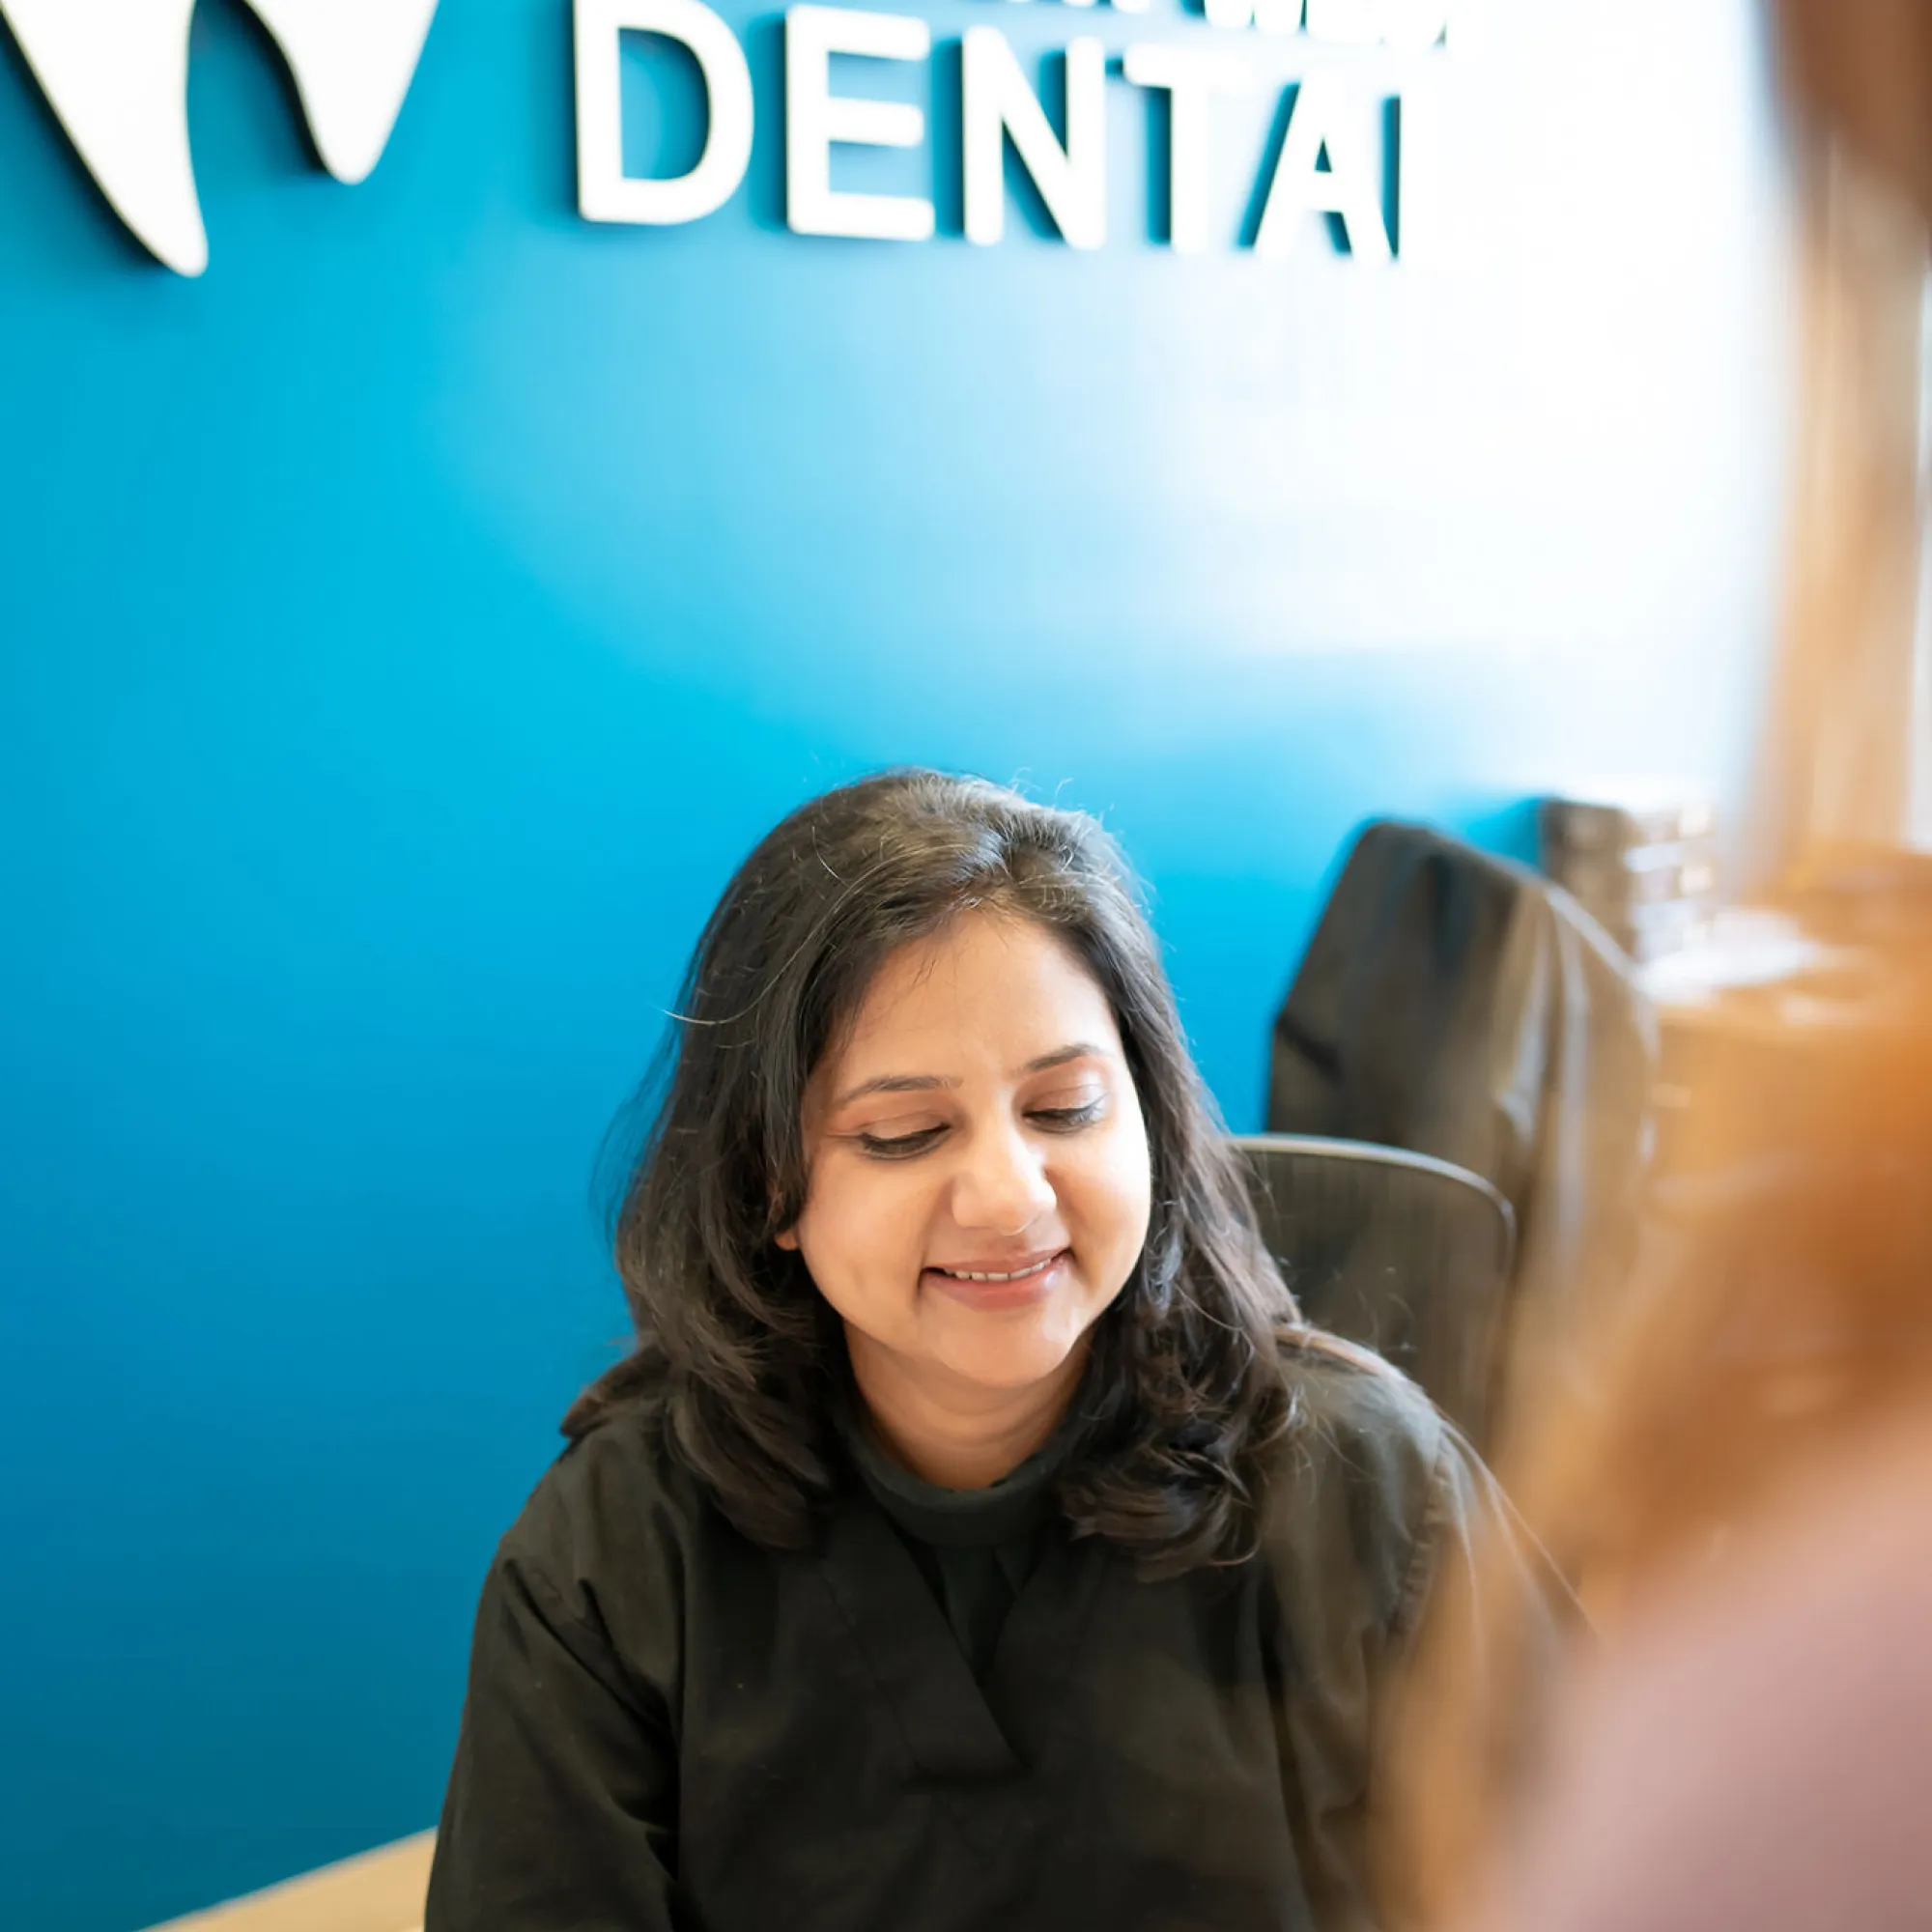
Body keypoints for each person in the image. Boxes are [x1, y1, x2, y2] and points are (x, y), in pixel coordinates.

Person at [426, 769, 1568, 1932]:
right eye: (904, 1132)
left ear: (1150, 1120)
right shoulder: (615, 1556)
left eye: (1064, 1107)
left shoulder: (1371, 1487)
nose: (1007, 1197)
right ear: (769, 1178)